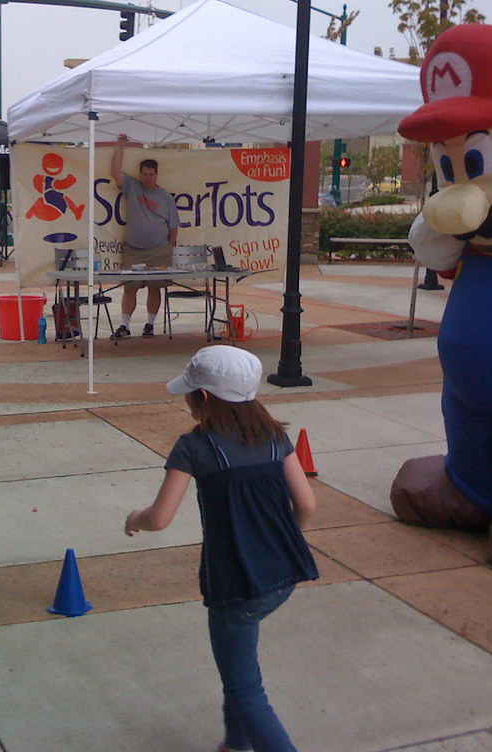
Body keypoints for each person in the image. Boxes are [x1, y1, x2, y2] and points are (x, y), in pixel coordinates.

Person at [125, 345, 317, 752]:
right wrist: (282, 540)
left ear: (204, 398)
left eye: (190, 394)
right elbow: (307, 505)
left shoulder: (195, 447)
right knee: (239, 669)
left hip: (235, 585)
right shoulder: (274, 437)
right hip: (283, 574)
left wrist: (134, 518)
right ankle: (235, 743)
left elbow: (159, 518)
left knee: (247, 689)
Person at [110, 133, 180, 339]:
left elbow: (173, 225)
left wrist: (169, 247)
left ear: (156, 175)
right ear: (140, 174)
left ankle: (150, 324)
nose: (148, 177)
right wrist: (120, 146)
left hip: (159, 250)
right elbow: (115, 171)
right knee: (129, 288)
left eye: (151, 174)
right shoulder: (132, 187)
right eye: (145, 174)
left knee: (154, 288)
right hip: (133, 249)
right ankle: (125, 326)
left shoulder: (166, 197)